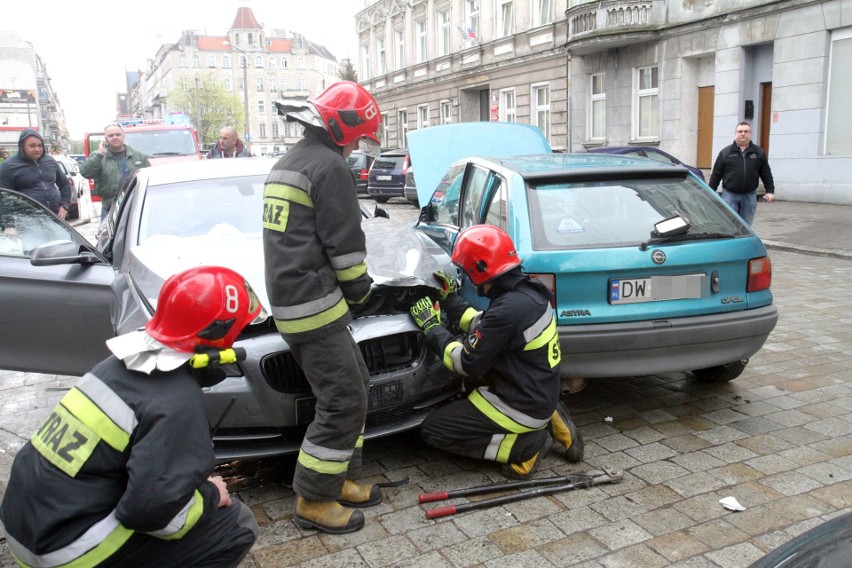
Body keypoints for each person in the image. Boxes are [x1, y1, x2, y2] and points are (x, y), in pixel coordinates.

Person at [0, 266, 261, 567]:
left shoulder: (115, 367)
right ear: (219, 336)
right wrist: (211, 496)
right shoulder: (176, 402)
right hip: (65, 554)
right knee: (234, 524)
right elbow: (153, 517)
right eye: (240, 330)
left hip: (26, 531)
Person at [262, 81, 383, 534]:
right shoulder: (329, 168)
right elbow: (345, 249)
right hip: (315, 305)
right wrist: (363, 292)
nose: (356, 148)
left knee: (356, 386)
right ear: (342, 128)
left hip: (294, 300)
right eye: (358, 138)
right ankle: (313, 500)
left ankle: (336, 479)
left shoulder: (290, 162)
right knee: (343, 399)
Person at [409, 225, 584, 480]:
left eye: (466, 271)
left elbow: (466, 361)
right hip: (539, 392)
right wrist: (449, 300)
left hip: (521, 405)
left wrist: (431, 327)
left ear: (479, 270)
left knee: (434, 430)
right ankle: (552, 420)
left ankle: (527, 446)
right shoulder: (529, 294)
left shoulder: (506, 311)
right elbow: (489, 328)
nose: (466, 277)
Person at [708, 121, 775, 225]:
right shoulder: (725, 153)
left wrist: (770, 191)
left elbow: (766, 173)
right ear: (735, 134)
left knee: (746, 225)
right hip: (730, 195)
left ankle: (744, 240)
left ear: (750, 134)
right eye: (740, 131)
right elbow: (716, 174)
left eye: (746, 131)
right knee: (729, 224)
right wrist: (710, 192)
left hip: (750, 195)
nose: (743, 133)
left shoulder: (758, 152)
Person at [80, 122, 150, 220]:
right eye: (110, 135)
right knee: (108, 235)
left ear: (123, 136)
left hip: (136, 205)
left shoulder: (138, 156)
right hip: (110, 208)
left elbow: (149, 179)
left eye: (118, 134)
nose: (115, 137)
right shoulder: (98, 156)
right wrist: (100, 154)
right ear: (105, 139)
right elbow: (85, 173)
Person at [0, 128, 71, 220]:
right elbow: (4, 197)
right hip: (29, 221)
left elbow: (64, 184)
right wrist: (9, 225)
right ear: (22, 146)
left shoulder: (50, 161)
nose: (37, 149)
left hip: (55, 218)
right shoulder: (9, 166)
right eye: (32, 146)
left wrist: (65, 206)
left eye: (40, 145)